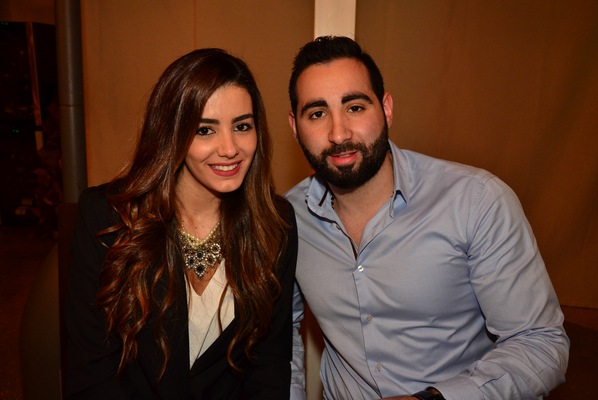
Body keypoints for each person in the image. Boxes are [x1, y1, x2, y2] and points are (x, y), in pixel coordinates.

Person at [285, 36, 568, 400]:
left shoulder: (475, 201)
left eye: (355, 107)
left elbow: (541, 344)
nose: (339, 133)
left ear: (386, 109)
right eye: (317, 113)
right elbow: (280, 338)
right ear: (295, 126)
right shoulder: (287, 219)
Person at [64, 48, 297, 399]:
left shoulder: (275, 224)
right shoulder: (108, 216)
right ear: (172, 133)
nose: (229, 148)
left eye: (242, 126)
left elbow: (270, 364)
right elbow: (91, 371)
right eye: (205, 130)